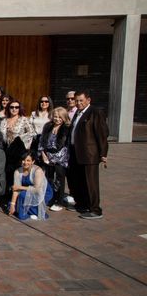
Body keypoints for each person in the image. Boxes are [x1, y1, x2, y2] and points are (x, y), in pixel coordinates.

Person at [69, 90, 108, 220]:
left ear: (88, 100)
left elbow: (102, 134)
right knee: (79, 181)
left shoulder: (95, 112)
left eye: (81, 100)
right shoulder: (78, 113)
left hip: (89, 154)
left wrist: (103, 153)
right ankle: (82, 204)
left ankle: (95, 209)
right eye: (77, 100)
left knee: (91, 182)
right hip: (76, 152)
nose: (78, 103)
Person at [0, 100, 35, 190]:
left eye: (16, 107)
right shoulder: (4, 121)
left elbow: (32, 133)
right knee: (7, 172)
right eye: (12, 107)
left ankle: (17, 193)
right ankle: (7, 192)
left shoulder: (24, 119)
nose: (14, 109)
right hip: (6, 150)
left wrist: (19, 138)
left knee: (17, 172)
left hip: (19, 150)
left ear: (19, 108)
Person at [38, 107, 70, 212]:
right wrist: (43, 153)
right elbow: (42, 140)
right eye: (55, 116)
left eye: (60, 117)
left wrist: (52, 156)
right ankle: (50, 198)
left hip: (60, 158)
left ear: (64, 118)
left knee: (59, 179)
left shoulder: (66, 128)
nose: (57, 119)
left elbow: (61, 145)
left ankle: (59, 201)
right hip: (47, 157)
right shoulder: (48, 126)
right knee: (49, 178)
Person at [9, 153, 52, 221]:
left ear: (33, 161)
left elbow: (37, 189)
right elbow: (15, 188)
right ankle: (26, 210)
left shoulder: (37, 170)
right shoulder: (17, 171)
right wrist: (12, 204)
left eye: (28, 160)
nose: (25, 162)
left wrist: (20, 187)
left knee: (22, 196)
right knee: (12, 205)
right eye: (23, 160)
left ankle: (33, 212)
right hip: (28, 190)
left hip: (43, 192)